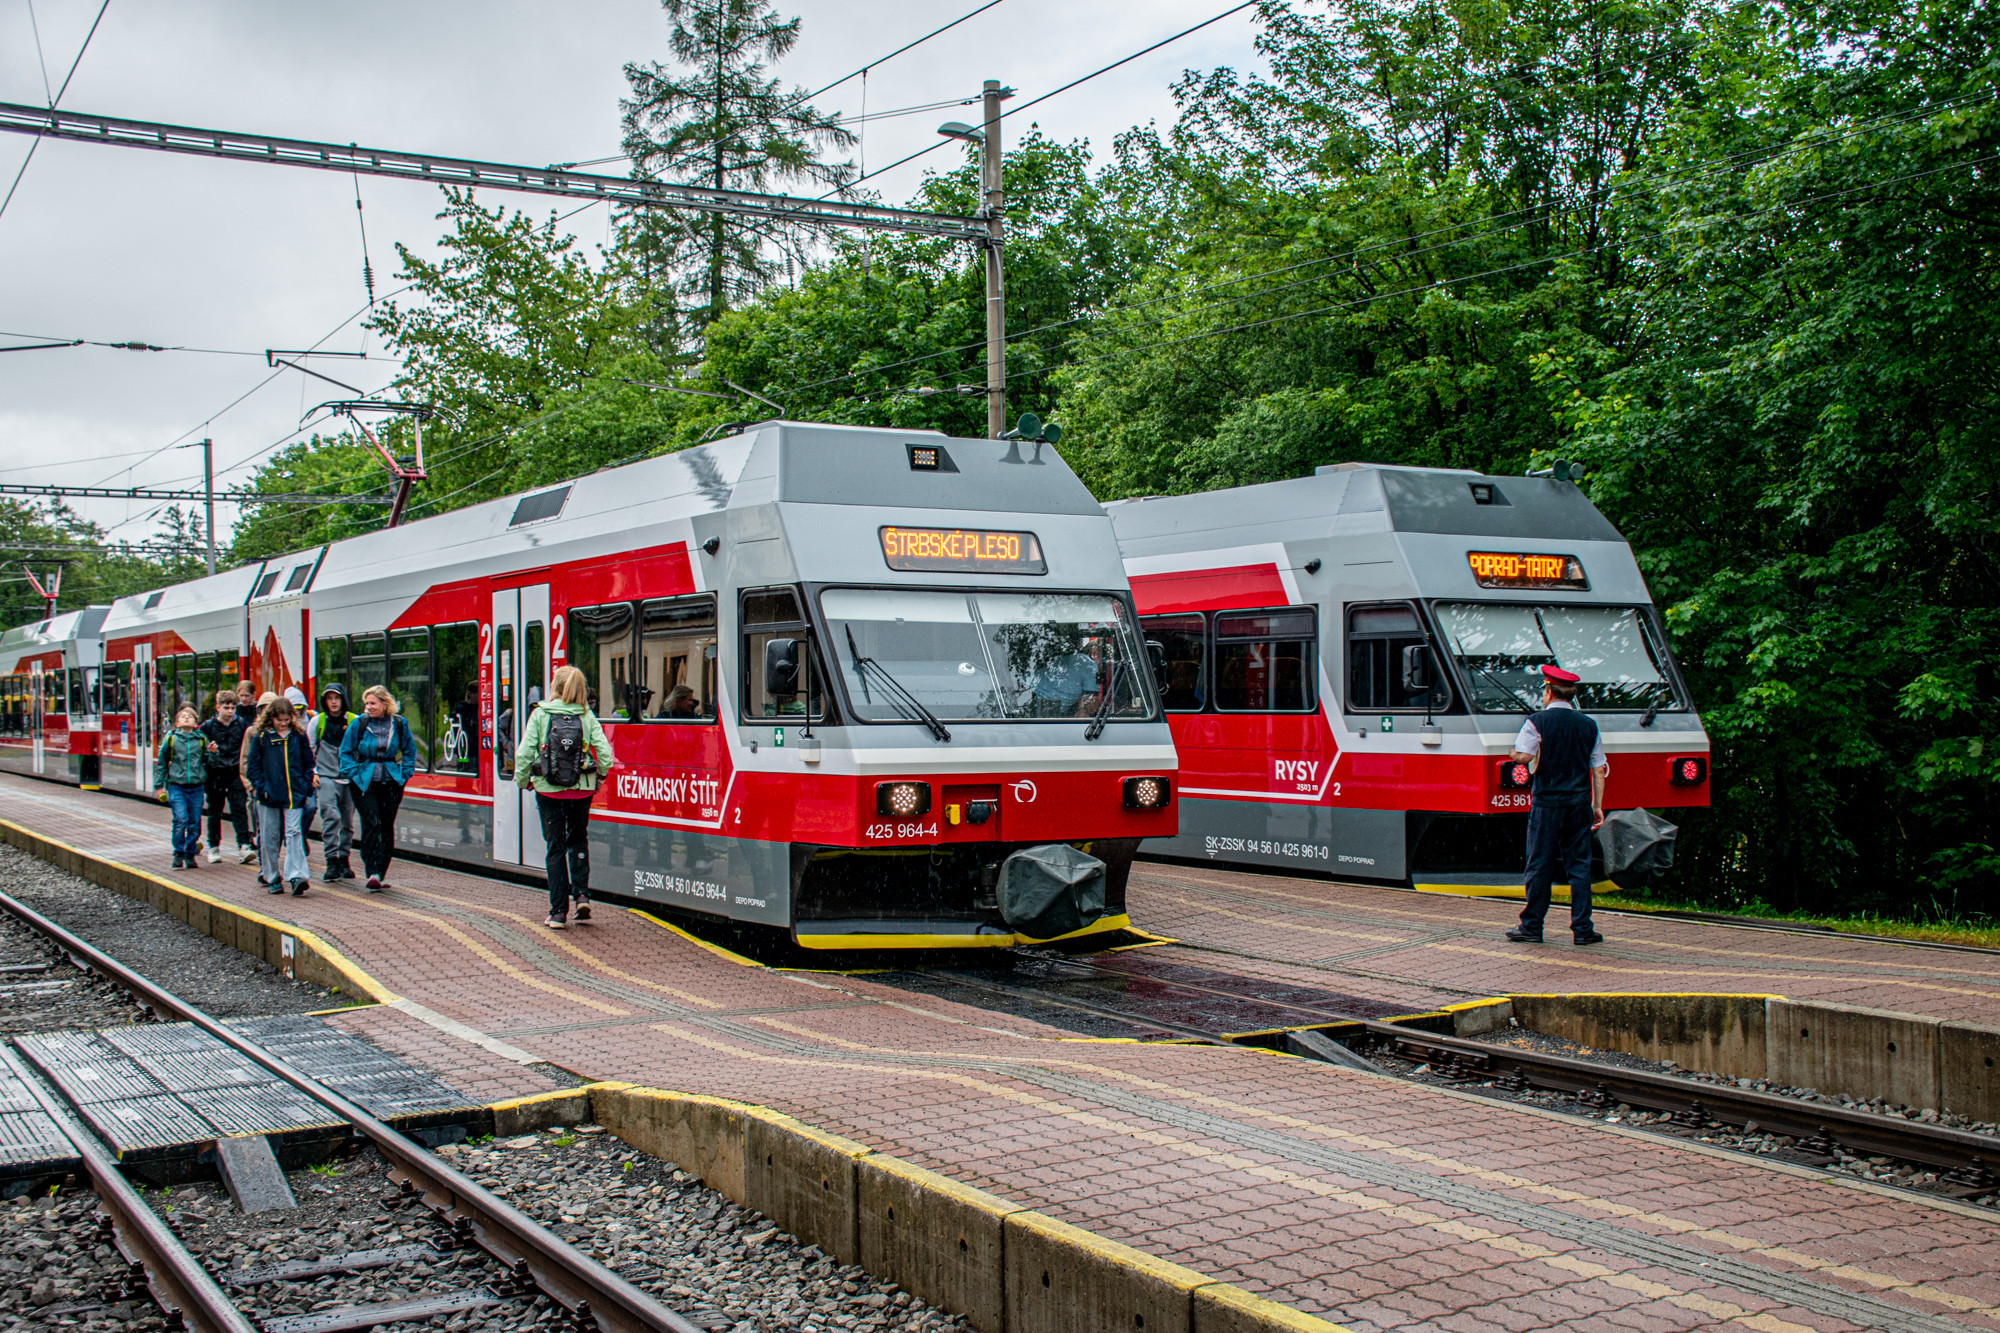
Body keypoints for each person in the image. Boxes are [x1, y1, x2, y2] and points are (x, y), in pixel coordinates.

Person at [1505, 664, 1610, 946]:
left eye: (1544, 691)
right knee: (1580, 866)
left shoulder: (1536, 722)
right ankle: (1583, 929)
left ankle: (1531, 926)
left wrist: (1513, 752)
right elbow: (1598, 769)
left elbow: (1525, 757)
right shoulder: (1589, 725)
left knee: (1540, 863)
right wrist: (1597, 806)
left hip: (1547, 803)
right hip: (1578, 803)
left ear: (1550, 692)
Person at [515, 664, 615, 930]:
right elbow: (605, 754)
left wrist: (523, 780)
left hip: (549, 790)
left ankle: (558, 912)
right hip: (581, 789)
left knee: (555, 848)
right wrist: (599, 777)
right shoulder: (586, 715)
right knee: (578, 839)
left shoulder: (541, 714)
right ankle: (582, 895)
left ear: (555, 687)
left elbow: (524, 754)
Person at [340, 685, 417, 892]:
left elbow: (410, 751)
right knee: (371, 823)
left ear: (385, 704)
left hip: (391, 782)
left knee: (386, 826)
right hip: (364, 783)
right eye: (366, 703)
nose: (368, 707)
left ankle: (381, 871)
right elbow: (345, 752)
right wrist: (353, 773)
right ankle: (372, 870)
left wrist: (405, 774)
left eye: (373, 703)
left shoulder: (399, 724)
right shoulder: (359, 724)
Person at [245, 696, 315, 896]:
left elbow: (308, 763)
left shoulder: (298, 736)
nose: (283, 723)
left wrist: (304, 786)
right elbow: (253, 767)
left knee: (294, 833)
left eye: (286, 720)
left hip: (294, 795)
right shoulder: (262, 738)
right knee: (269, 836)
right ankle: (272, 876)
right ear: (271, 718)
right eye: (279, 720)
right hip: (268, 796)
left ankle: (297, 876)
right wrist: (261, 787)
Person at [198, 691, 255, 865]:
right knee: (215, 811)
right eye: (226, 708)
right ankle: (214, 847)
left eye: (232, 708)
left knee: (239, 809)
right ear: (218, 708)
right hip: (215, 774)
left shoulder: (241, 724)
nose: (230, 711)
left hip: (235, 773)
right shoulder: (207, 727)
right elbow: (201, 750)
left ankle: (244, 846)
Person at [311, 684, 358, 881]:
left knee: (348, 821)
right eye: (329, 698)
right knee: (331, 817)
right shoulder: (318, 722)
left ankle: (344, 859)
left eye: (336, 698)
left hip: (349, 779)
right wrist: (313, 772)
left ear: (343, 699)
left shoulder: (354, 721)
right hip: (326, 777)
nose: (333, 702)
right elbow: (309, 749)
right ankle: (331, 860)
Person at [153, 705, 208, 870]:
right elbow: (162, 763)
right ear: (177, 723)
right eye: (183, 716)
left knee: (194, 823)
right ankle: (178, 852)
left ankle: (190, 853)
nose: (186, 718)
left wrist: (213, 753)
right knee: (180, 819)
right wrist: (159, 786)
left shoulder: (201, 740)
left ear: (195, 723)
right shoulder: (171, 739)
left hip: (196, 787)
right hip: (177, 786)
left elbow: (210, 762)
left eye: (190, 716)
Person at [285, 687, 316, 839]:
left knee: (311, 807)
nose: (297, 711)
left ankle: (301, 836)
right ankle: (295, 837)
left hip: (308, 771)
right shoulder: (283, 724)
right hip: (291, 773)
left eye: (300, 707)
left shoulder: (312, 718)